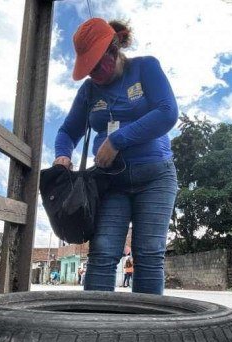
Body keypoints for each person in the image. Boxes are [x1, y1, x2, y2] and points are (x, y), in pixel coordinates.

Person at [54, 18, 179, 295]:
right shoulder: (88, 91)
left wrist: (117, 139)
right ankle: (94, 329)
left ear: (114, 49)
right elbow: (67, 131)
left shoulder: (145, 67)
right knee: (103, 252)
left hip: (155, 176)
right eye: (88, 69)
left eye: (98, 64)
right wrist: (62, 155)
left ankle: (145, 332)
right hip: (110, 183)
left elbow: (167, 112)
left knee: (148, 254)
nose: (94, 74)